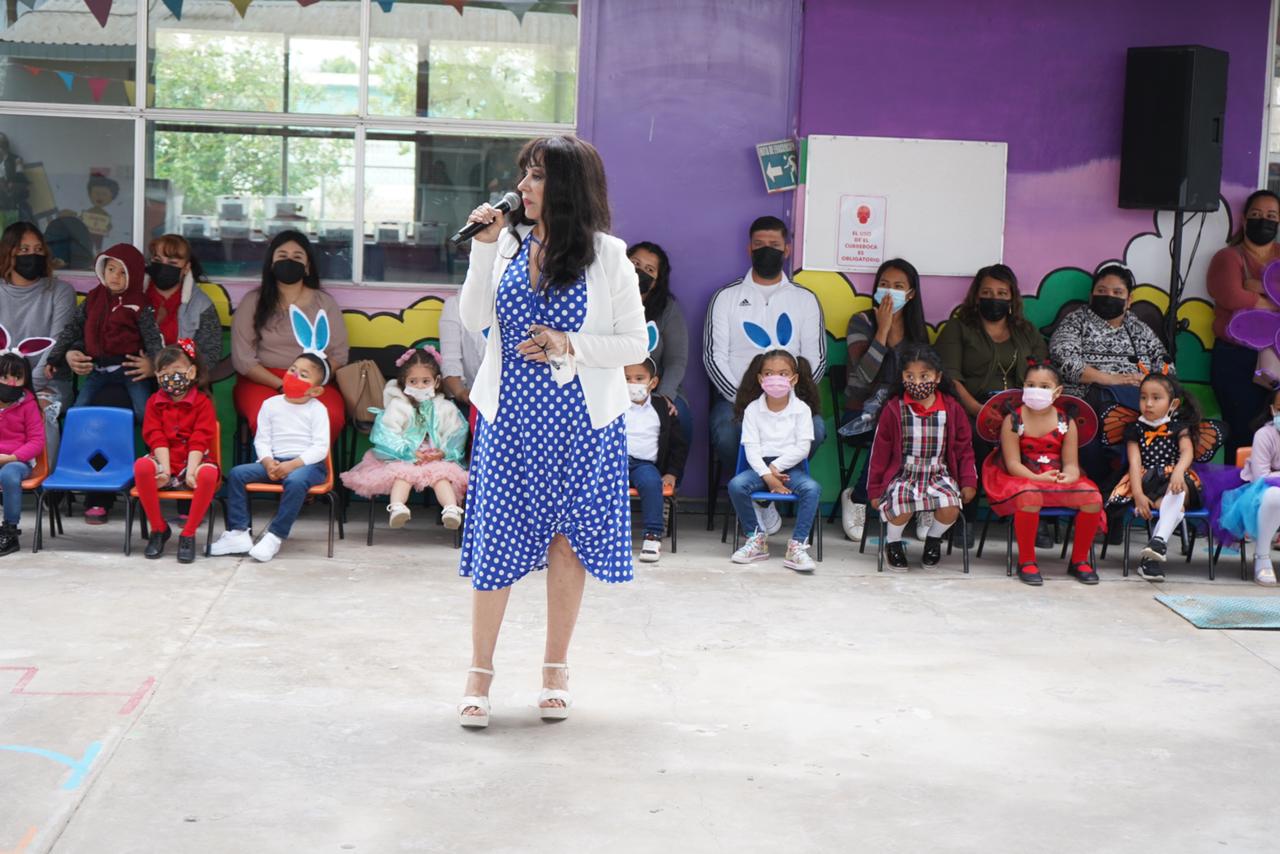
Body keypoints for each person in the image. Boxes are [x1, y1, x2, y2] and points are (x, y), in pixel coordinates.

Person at [455, 135, 647, 729]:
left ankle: (555, 670)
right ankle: (478, 674)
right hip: (511, 417)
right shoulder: (505, 241)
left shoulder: (609, 255)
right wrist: (483, 249)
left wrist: (569, 345)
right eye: (524, 175)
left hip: (583, 423)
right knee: (497, 542)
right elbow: (473, 320)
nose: (524, 188)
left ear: (568, 187)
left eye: (537, 177)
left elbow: (635, 343)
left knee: (568, 545)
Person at [936, 263, 1050, 545]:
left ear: (1012, 298)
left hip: (1022, 411)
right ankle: (966, 518)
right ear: (976, 296)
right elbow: (950, 377)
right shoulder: (958, 328)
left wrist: (1028, 415)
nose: (994, 298)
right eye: (987, 292)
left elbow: (1043, 372)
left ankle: (1034, 517)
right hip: (972, 409)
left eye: (1001, 293)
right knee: (972, 440)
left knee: (1047, 439)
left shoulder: (1026, 331)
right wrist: (981, 411)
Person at [704, 216, 826, 470]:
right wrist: (745, 399)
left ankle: (767, 490)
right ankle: (759, 495)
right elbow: (714, 357)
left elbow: (816, 358)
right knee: (726, 434)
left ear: (787, 250)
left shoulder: (805, 299)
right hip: (735, 399)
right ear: (749, 249)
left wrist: (787, 394)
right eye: (759, 244)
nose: (766, 250)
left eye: (774, 244)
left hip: (790, 399)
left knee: (816, 429)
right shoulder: (725, 297)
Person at [213, 307, 333, 563]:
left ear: (315, 391)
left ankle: (275, 536)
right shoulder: (271, 404)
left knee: (296, 481)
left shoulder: (318, 409)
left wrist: (293, 464)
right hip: (274, 462)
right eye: (292, 370)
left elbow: (320, 447)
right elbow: (263, 439)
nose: (294, 376)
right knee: (237, 474)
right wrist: (267, 461)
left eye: (303, 375)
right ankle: (238, 532)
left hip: (307, 466)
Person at [1049, 263, 1169, 499]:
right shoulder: (1077, 321)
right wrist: (1110, 379)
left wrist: (1150, 385)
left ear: (1129, 299)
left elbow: (1164, 363)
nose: (1109, 297)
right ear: (1091, 294)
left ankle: (1116, 500)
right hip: (1085, 406)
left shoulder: (1138, 329)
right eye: (1102, 291)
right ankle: (1107, 499)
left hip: (1136, 407)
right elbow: (1063, 357)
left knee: (1147, 436)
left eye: (1117, 293)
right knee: (1100, 434)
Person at [979, 361, 1104, 586]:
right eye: (1031, 384)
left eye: (1044, 386)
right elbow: (1012, 463)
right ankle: (1026, 560)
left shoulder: (1067, 421)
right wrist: (1036, 478)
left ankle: (1079, 560)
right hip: (1020, 477)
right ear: (1023, 387)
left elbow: (1072, 464)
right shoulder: (1013, 419)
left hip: (1054, 476)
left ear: (1057, 392)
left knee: (1092, 497)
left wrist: (1070, 476)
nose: (1037, 390)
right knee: (1030, 495)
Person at [839, 258, 930, 542]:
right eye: (884, 285)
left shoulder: (917, 333)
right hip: (861, 416)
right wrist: (882, 330)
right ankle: (858, 496)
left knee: (931, 425)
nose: (890, 292)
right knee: (894, 429)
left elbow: (923, 382)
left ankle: (928, 502)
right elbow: (864, 375)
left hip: (906, 418)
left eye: (899, 286)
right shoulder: (861, 322)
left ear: (911, 294)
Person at [867, 343, 978, 570]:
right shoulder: (893, 409)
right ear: (902, 377)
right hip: (903, 474)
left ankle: (933, 540)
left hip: (939, 473)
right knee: (902, 504)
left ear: (937, 378)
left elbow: (964, 449)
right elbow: (878, 454)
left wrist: (968, 481)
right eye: (910, 376)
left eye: (924, 375)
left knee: (950, 505)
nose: (917, 382)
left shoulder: (952, 409)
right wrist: (875, 490)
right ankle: (894, 543)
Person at [231, 230, 349, 440]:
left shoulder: (325, 303)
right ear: (271, 264)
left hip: (314, 383)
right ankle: (273, 471)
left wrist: (309, 382)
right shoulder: (253, 302)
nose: (289, 261)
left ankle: (312, 470)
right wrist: (283, 385)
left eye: (297, 257)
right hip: (263, 382)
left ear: (307, 266)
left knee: (330, 416)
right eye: (282, 256)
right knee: (268, 417)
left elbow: (339, 354)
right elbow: (243, 359)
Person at [340, 346, 469, 531]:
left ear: (437, 381)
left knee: (442, 477)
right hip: (403, 457)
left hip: (435, 457)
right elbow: (386, 433)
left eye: (426, 381)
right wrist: (407, 451)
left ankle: (451, 510)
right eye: (413, 381)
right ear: (404, 382)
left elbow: (457, 432)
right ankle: (398, 508)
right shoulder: (398, 407)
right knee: (402, 476)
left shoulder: (445, 408)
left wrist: (444, 451)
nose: (420, 386)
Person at [1104, 372, 1207, 582]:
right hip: (1147, 481)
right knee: (1176, 510)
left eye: (1156, 398)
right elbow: (1135, 463)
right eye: (1143, 397)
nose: (1148, 403)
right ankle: (1152, 556)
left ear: (1173, 403)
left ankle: (1157, 543)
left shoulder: (1179, 427)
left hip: (1175, 477)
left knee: (1177, 488)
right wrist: (1139, 494)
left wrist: (1178, 472)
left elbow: (1187, 452)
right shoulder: (1134, 428)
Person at [728, 349, 822, 572]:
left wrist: (776, 468)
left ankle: (797, 546)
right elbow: (750, 448)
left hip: (790, 468)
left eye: (783, 373)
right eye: (769, 373)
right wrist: (768, 476)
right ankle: (756, 539)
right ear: (761, 379)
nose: (776, 379)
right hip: (759, 467)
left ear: (794, 379)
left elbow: (803, 447)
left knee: (812, 489)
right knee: (736, 485)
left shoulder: (801, 410)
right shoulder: (753, 409)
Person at [47, 242, 162, 424]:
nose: (115, 276)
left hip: (130, 369)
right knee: (78, 412)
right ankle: (76, 450)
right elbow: (74, 327)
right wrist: (55, 358)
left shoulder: (140, 303)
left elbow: (153, 338)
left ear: (135, 275)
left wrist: (158, 367)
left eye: (123, 272)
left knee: (145, 413)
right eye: (111, 269)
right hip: (97, 370)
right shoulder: (93, 297)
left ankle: (155, 451)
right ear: (102, 269)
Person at [1207, 190, 1280, 462]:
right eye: (1257, 215)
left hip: (1277, 358)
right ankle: (1237, 497)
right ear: (1244, 218)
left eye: (1272, 216)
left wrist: (1256, 288)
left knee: (1274, 438)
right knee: (1242, 435)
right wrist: (1274, 297)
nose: (1264, 221)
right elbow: (1231, 296)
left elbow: (1245, 296)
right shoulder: (1228, 257)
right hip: (1236, 360)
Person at [132, 342, 220, 564]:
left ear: (192, 372)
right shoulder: (154, 402)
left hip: (194, 459)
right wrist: (165, 470)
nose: (172, 378)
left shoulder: (203, 402)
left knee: (208, 475)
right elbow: (155, 436)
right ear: (157, 375)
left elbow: (200, 438)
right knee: (142, 467)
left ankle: (188, 534)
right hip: (165, 460)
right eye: (165, 373)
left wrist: (191, 473)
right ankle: (159, 529)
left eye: (178, 372)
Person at [0, 222, 76, 463]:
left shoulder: (60, 291)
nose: (31, 255)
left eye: (37, 249)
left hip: (48, 384)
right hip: (2, 383)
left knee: (44, 412)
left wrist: (28, 390)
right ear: (8, 253)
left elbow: (56, 343)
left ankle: (45, 488)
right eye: (23, 250)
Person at [1202, 386, 1280, 585]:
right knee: (1274, 496)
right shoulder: (1265, 434)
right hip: (1258, 492)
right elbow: (1261, 476)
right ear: (1273, 410)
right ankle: (1262, 557)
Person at [624, 356, 688, 564]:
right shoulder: (613, 405)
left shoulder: (663, 408)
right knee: (602, 485)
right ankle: (603, 534)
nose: (632, 383)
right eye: (627, 378)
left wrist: (672, 472)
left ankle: (652, 536)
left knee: (652, 484)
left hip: (645, 465)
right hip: (617, 463)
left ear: (653, 382)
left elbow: (679, 445)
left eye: (639, 378)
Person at [628, 241, 692, 444]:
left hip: (656, 388)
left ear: (656, 281)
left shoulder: (668, 310)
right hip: (613, 389)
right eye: (635, 264)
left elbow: (676, 361)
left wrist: (665, 396)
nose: (640, 272)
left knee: (677, 417)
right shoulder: (601, 301)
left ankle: (669, 477)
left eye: (649, 270)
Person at [144, 234, 223, 373]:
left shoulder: (201, 304)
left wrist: (162, 370)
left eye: (172, 263)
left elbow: (210, 353)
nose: (163, 267)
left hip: (184, 381)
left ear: (186, 268)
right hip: (137, 378)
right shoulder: (135, 298)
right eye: (158, 260)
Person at [0, 346, 49, 557]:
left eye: (17, 378)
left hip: (18, 461)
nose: (11, 383)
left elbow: (37, 442)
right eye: (5, 376)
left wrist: (11, 457)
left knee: (9, 474)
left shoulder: (29, 405)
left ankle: (10, 531)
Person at [438, 294, 487, 408]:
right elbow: (450, 360)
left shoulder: (514, 302)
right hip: (474, 398)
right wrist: (461, 392)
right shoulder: (456, 304)